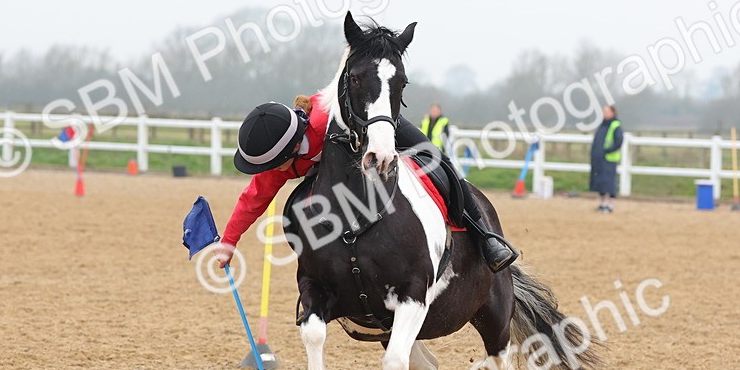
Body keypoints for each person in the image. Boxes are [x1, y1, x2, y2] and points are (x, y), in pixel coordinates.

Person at [214, 95, 518, 272]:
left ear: (292, 147)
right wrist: (229, 242)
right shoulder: (281, 157)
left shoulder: (327, 122)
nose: (269, 171)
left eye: (270, 164)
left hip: (380, 126)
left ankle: (485, 236)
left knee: (438, 161)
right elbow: (253, 197)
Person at [590, 104, 623, 213]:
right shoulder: (602, 125)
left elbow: (618, 141)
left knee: (609, 182)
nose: (604, 113)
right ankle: (602, 203)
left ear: (613, 112)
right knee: (600, 182)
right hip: (600, 158)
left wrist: (607, 151)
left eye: (607, 111)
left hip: (610, 158)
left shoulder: (615, 125)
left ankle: (610, 205)